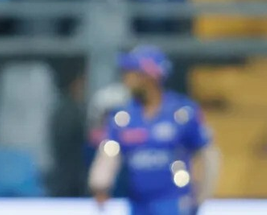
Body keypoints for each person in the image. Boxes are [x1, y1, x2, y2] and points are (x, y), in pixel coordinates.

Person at [89, 45, 220, 215]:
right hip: (138, 204)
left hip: (174, 203)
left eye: (131, 72)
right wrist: (100, 183)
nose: (126, 78)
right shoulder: (124, 116)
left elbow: (208, 154)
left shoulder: (182, 113)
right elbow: (110, 152)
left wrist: (202, 194)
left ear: (149, 76)